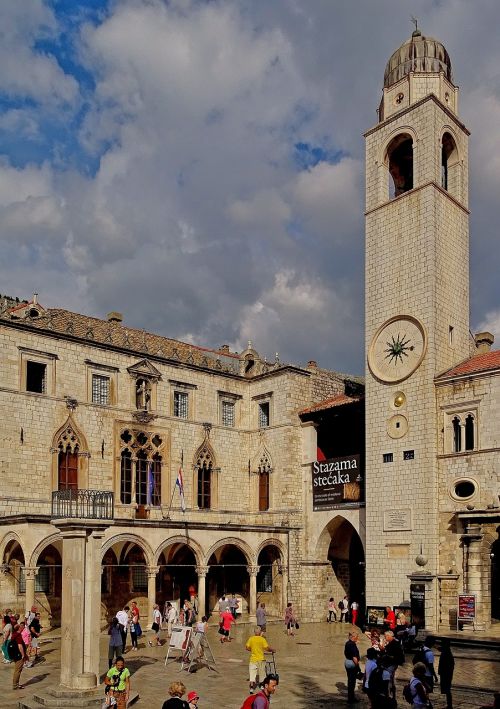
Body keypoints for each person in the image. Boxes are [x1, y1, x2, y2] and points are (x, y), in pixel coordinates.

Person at [246, 626, 275, 695]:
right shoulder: (262, 639)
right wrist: (272, 650)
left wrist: (252, 650)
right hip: (261, 659)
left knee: (252, 675)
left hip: (253, 659)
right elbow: (267, 648)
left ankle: (251, 689)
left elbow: (247, 647)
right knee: (262, 674)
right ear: (259, 632)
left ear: (254, 632)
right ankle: (262, 687)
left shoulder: (251, 639)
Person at [344, 631, 361, 703]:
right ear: (353, 637)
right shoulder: (352, 645)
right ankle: (351, 698)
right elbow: (354, 658)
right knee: (352, 681)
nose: (358, 638)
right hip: (352, 663)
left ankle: (350, 697)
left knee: (350, 680)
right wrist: (358, 667)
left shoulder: (347, 643)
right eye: (357, 637)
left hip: (347, 662)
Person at [11, 622, 28, 690]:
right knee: (18, 670)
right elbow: (20, 646)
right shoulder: (18, 635)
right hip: (19, 655)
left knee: (17, 669)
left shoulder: (14, 634)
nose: (22, 627)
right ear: (19, 628)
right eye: (20, 626)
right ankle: (15, 685)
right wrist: (23, 655)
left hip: (15, 655)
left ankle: (16, 684)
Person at [438, 638, 455, 709]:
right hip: (446, 674)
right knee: (447, 689)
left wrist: (441, 672)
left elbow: (448, 664)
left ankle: (449, 706)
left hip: (446, 674)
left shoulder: (446, 653)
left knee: (447, 690)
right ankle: (449, 705)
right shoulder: (447, 650)